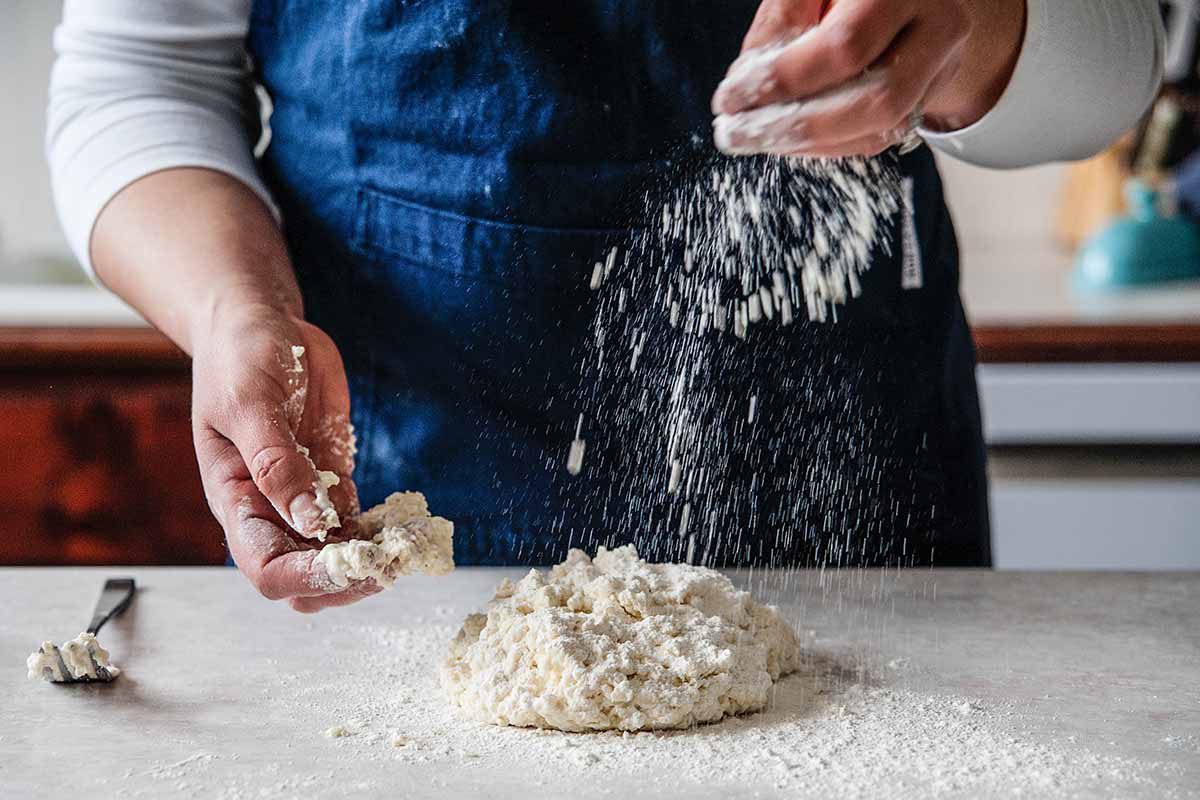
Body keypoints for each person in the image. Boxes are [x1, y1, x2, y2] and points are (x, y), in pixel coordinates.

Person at [48, 0, 1163, 612]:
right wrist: (234, 308)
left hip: (849, 477)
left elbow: (1118, 59)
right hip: (413, 451)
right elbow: (138, 71)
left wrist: (982, 24)